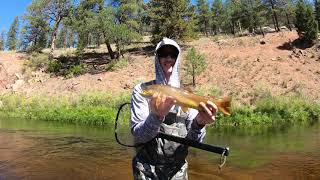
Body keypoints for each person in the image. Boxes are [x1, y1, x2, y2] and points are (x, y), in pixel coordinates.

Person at [130, 37, 218, 180]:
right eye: (164, 54)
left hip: (177, 172)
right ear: (157, 58)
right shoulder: (142, 89)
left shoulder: (187, 95)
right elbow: (138, 136)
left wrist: (199, 123)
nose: (169, 58)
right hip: (146, 170)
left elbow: (194, 142)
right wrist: (156, 116)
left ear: (178, 58)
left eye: (173, 54)